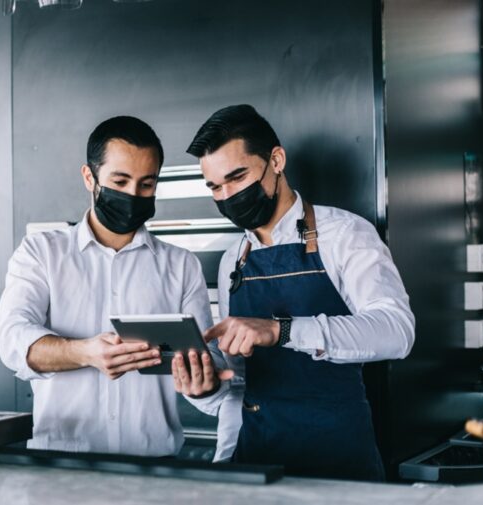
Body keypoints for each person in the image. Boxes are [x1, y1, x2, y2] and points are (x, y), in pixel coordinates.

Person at [171, 104, 415, 481]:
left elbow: (397, 332)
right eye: (215, 187)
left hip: (338, 462)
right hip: (256, 461)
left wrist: (281, 330)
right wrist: (202, 393)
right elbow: (237, 387)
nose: (227, 195)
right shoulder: (233, 260)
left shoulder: (346, 234)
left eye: (237, 177)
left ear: (276, 160)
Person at [0, 116, 216, 456]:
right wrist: (84, 352)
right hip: (60, 468)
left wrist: (202, 385)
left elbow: (204, 368)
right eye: (120, 180)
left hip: (154, 470)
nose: (133, 194)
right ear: (90, 177)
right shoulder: (41, 253)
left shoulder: (181, 265)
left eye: (146, 184)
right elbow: (12, 341)